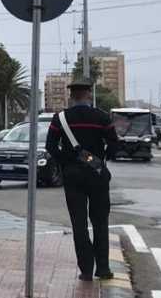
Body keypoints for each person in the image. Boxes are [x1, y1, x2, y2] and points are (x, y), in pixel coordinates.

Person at [46, 79, 119, 282]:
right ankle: (103, 268)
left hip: (72, 175)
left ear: (71, 96)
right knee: (100, 221)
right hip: (96, 174)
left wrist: (66, 162)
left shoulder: (60, 119)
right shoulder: (102, 117)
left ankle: (86, 269)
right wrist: (100, 159)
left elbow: (50, 146)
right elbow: (114, 145)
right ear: (88, 94)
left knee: (78, 223)